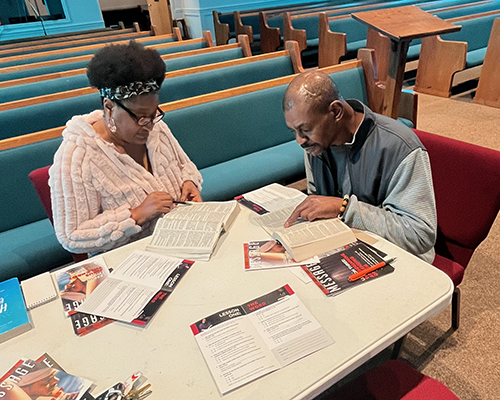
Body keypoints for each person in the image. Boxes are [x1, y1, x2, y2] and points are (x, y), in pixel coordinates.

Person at [49, 41, 202, 255]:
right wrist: (136, 214)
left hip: (182, 240)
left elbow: (185, 165)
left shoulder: (156, 128)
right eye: (139, 117)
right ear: (109, 108)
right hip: (132, 259)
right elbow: (71, 237)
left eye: (152, 115)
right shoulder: (79, 156)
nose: (148, 126)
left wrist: (189, 182)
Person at [282, 71, 437, 263]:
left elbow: (420, 235)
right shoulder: (316, 145)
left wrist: (344, 209)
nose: (300, 140)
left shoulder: (399, 147)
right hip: (348, 242)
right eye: (294, 131)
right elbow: (318, 200)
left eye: (306, 129)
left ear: (336, 111)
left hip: (400, 255)